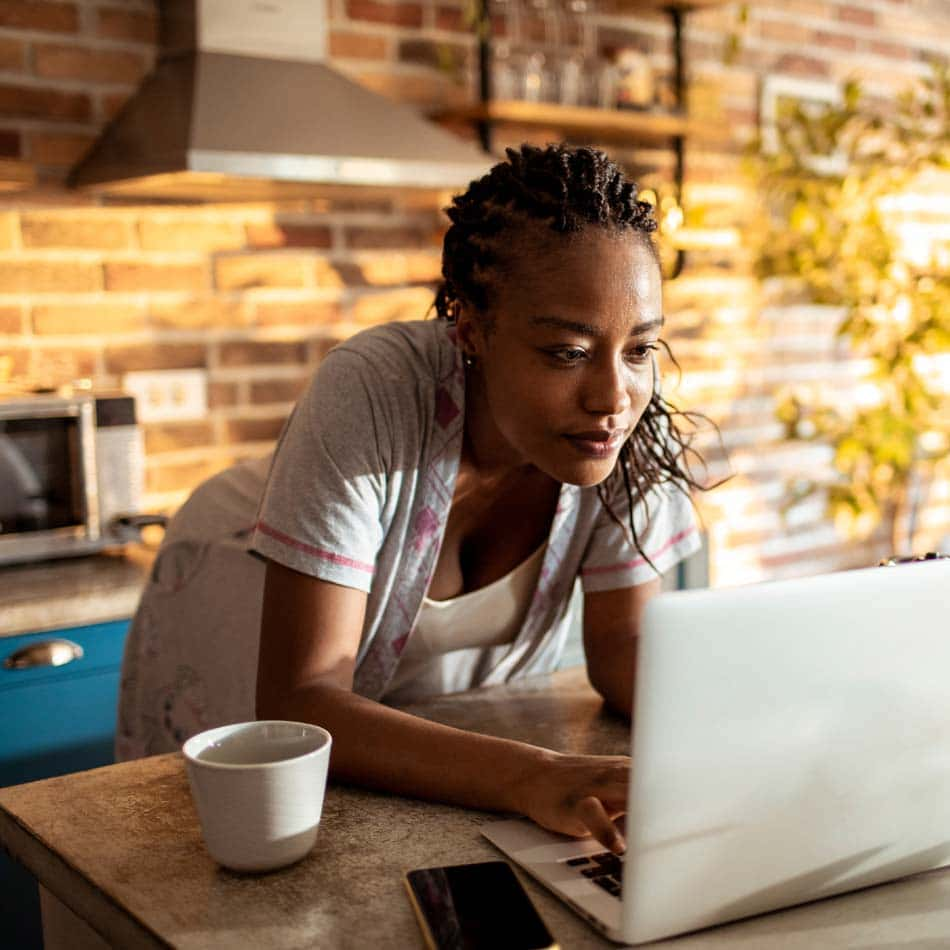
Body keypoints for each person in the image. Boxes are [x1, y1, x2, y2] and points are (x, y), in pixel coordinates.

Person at [116, 143, 708, 856]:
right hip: (237, 585)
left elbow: (622, 645)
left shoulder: (613, 430)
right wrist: (535, 776)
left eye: (640, 349)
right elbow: (300, 698)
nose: (615, 396)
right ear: (470, 328)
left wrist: (740, 732)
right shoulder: (370, 390)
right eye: (567, 352)